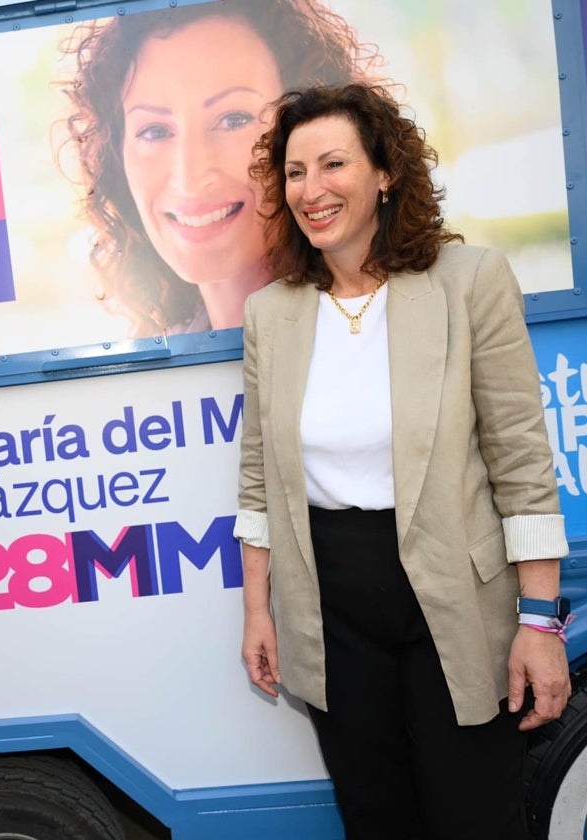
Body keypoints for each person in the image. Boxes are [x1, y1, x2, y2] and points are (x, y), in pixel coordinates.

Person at [235, 83, 570, 838]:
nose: (312, 191)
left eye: (332, 165)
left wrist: (540, 624)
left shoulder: (469, 283)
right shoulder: (272, 314)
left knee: (475, 818)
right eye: (294, 172)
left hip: (455, 597)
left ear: (385, 172)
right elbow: (258, 475)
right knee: (377, 819)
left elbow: (521, 466)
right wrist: (259, 608)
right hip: (330, 604)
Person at [60, 0, 377, 337]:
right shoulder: (158, 366)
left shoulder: (382, 330)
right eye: (154, 131)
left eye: (233, 120)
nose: (190, 177)